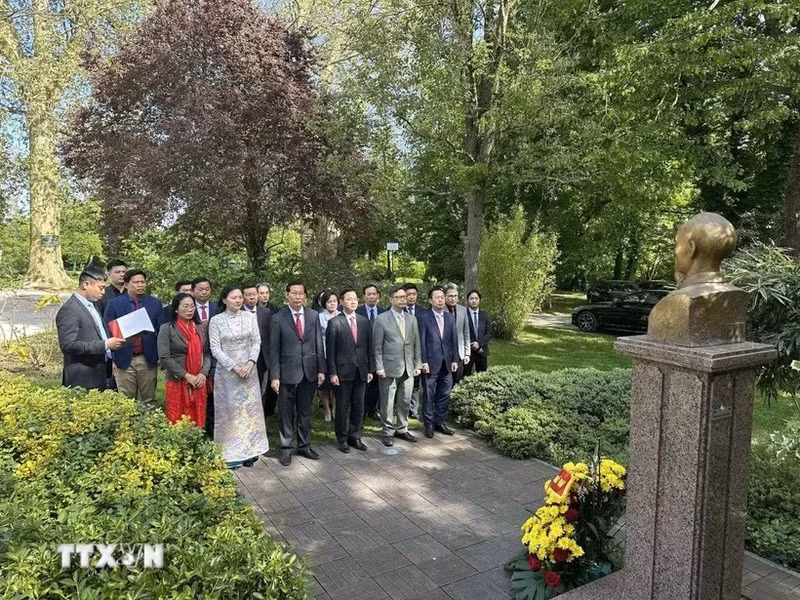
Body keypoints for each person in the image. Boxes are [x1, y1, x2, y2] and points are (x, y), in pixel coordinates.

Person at [208, 285, 268, 469]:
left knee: (249, 412)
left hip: (249, 372)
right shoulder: (216, 321)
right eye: (234, 297)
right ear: (224, 300)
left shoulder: (250, 317)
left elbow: (256, 341)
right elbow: (215, 348)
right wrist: (234, 366)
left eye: (240, 297)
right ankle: (231, 453)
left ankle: (250, 451)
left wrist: (250, 362)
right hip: (228, 374)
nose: (238, 300)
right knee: (230, 413)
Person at [270, 280, 326, 466]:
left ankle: (304, 445)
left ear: (305, 296)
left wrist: (321, 369)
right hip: (286, 373)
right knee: (286, 413)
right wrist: (275, 376)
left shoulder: (313, 315)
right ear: (287, 295)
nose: (298, 296)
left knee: (305, 412)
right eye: (294, 293)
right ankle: (286, 448)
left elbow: (319, 344)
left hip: (309, 372)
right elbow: (274, 349)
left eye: (301, 293)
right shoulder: (278, 317)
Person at [56, 265, 125, 390]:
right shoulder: (70, 310)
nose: (103, 292)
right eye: (100, 288)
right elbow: (68, 345)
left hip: (100, 373)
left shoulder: (93, 304)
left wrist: (110, 357)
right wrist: (104, 345)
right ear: (85, 285)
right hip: (82, 379)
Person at [104, 269, 165, 403]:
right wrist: (113, 354)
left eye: (142, 282)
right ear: (126, 285)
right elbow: (108, 329)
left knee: (148, 399)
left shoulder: (154, 303)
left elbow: (162, 329)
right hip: (124, 357)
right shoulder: (114, 304)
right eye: (136, 282)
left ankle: (148, 423)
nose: (140, 285)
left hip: (147, 358)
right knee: (126, 400)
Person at [373, 285, 422, 447]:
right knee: (387, 402)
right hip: (388, 367)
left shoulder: (412, 319)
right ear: (391, 299)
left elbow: (416, 344)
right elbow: (377, 346)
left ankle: (402, 428)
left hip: (408, 367)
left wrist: (418, 364)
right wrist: (379, 367)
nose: (403, 300)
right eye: (399, 297)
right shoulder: (381, 319)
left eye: (404, 297)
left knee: (405, 400)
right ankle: (387, 431)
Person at [326, 288, 374, 453]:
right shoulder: (334, 322)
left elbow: (369, 347)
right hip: (342, 372)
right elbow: (330, 351)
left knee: (359, 406)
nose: (353, 301)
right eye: (349, 299)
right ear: (341, 301)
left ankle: (355, 436)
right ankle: (342, 438)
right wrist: (332, 373)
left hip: (361, 370)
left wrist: (370, 370)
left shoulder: (364, 321)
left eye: (355, 299)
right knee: (342, 406)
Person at [158, 292, 211, 427]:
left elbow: (206, 353)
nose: (190, 310)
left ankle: (197, 440)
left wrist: (203, 373)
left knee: (198, 416)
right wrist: (186, 375)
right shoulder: (167, 329)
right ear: (176, 308)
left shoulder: (199, 328)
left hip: (198, 380)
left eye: (192, 306)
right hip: (178, 380)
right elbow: (164, 357)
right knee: (177, 417)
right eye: (185, 306)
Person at [418, 286, 459, 438]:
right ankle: (428, 424)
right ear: (430, 300)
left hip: (447, 363)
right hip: (430, 363)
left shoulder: (449, 317)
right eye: (437, 297)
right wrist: (423, 361)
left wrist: (455, 359)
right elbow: (421, 342)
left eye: (442, 297)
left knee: (444, 393)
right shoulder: (423, 317)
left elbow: (454, 340)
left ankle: (439, 422)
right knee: (429, 394)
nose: (440, 300)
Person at [242, 283, 273, 416]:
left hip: (262, 358)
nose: (252, 297)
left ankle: (260, 421)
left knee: (262, 391)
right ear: (243, 297)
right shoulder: (238, 312)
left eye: (254, 294)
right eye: (248, 295)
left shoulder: (266, 313)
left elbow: (270, 335)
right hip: (243, 358)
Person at [357, 284, 384, 419]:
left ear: (378, 296)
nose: (372, 297)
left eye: (374, 294)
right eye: (369, 294)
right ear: (364, 297)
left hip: (379, 352)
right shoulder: (357, 312)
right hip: (362, 352)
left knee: (376, 383)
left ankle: (373, 410)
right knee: (362, 383)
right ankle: (361, 410)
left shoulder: (384, 312)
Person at [404, 283, 425, 419]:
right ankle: (402, 408)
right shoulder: (396, 311)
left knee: (416, 382)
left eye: (413, 294)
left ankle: (414, 409)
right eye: (408, 294)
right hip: (403, 351)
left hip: (418, 350)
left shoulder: (423, 312)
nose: (411, 297)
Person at [444, 283, 471, 385]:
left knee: (457, 380)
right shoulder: (440, 310)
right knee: (445, 382)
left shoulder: (463, 310)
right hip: (445, 353)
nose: (453, 298)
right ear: (445, 296)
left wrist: (467, 353)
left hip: (460, 353)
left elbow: (466, 332)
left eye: (455, 296)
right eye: (450, 296)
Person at [464, 289, 492, 375]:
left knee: (482, 376)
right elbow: (460, 332)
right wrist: (472, 344)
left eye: (476, 298)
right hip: (467, 351)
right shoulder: (463, 314)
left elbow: (489, 333)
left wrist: (479, 343)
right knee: (465, 375)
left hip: (482, 350)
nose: (474, 301)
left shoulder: (485, 315)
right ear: (467, 300)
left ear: (479, 300)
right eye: (471, 298)